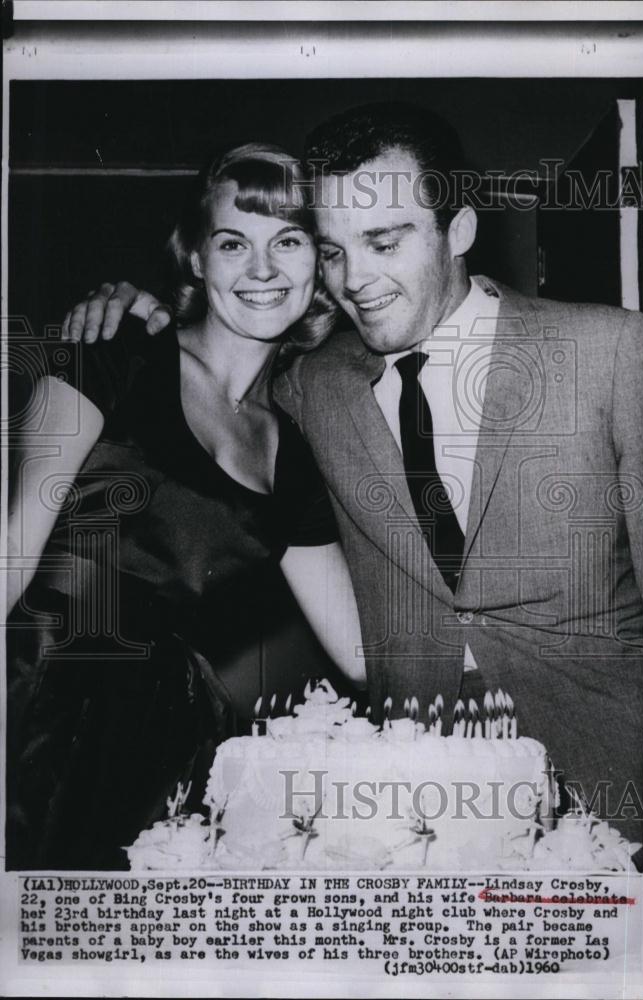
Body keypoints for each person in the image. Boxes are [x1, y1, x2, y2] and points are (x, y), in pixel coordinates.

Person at [59, 103, 643, 843]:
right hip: (417, 803)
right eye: (333, 251)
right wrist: (130, 312)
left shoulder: (613, 349)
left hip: (614, 778)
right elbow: (208, 378)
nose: (354, 280)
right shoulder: (313, 384)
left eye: (383, 241)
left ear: (458, 230)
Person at [5, 142, 365, 869]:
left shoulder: (291, 451)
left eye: (288, 242)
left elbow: (363, 654)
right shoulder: (109, 356)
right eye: (234, 243)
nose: (262, 271)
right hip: (33, 703)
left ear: (320, 264)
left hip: (160, 738)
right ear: (197, 260)